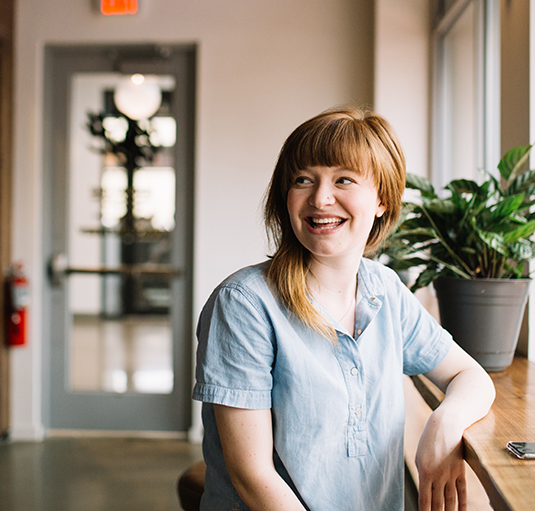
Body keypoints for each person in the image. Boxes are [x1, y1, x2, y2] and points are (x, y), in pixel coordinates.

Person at [192, 105, 495, 511]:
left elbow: (470, 375)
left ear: (382, 199)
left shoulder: (384, 289)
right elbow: (253, 477)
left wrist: (444, 423)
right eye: (303, 180)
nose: (320, 198)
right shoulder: (243, 304)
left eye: (343, 180)